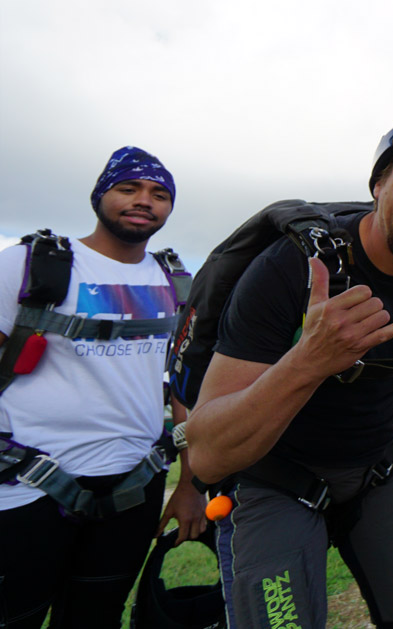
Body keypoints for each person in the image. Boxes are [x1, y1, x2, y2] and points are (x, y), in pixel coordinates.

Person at [185, 103, 393, 629]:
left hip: (381, 470)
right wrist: (310, 360)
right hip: (273, 479)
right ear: (378, 183)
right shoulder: (290, 269)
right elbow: (208, 457)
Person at [0, 146, 207, 628]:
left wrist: (190, 486)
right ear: (100, 195)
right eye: (128, 188)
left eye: (159, 194)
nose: (143, 201)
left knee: (96, 619)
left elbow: (185, 387)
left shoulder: (176, 281)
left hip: (133, 487)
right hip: (26, 486)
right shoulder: (31, 265)